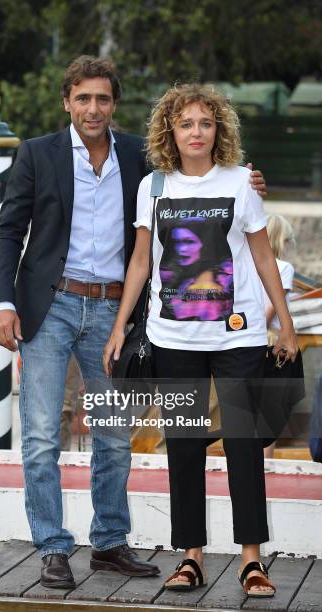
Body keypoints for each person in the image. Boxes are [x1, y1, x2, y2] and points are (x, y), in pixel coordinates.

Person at [0, 55, 267, 590]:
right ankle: (52, 546)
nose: (94, 108)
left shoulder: (141, 160)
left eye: (103, 98)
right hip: (50, 307)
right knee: (43, 434)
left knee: (114, 437)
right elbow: (8, 235)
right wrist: (3, 303)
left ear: (114, 104)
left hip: (115, 313)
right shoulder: (36, 155)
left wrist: (251, 180)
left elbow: (203, 176)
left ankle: (110, 543)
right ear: (67, 101)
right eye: (83, 98)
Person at [103, 83, 297, 598]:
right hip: (173, 338)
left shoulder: (239, 183)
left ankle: (251, 561)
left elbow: (261, 258)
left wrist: (286, 324)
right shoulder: (155, 187)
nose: (196, 132)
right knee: (185, 449)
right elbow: (141, 261)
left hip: (239, 338)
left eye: (205, 123)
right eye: (186, 123)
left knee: (244, 447)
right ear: (171, 129)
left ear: (219, 130)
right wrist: (121, 325)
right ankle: (190, 558)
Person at [262, 214, 296, 459]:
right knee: (271, 406)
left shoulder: (250, 264)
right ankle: (266, 463)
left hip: (243, 338)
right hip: (271, 340)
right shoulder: (283, 268)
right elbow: (273, 307)